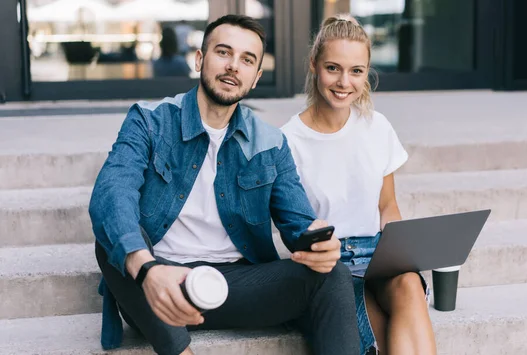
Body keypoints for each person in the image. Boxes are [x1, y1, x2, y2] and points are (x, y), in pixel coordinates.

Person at [89, 14, 360, 355]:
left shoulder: (270, 143)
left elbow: (298, 225)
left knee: (333, 275)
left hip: (239, 286)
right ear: (200, 59)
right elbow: (111, 194)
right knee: (114, 237)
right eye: (223, 52)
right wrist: (148, 271)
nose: (234, 66)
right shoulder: (149, 121)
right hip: (161, 288)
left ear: (256, 77)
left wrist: (319, 245)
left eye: (247, 60)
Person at [281, 14, 437, 355]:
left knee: (410, 284)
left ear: (367, 72)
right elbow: (294, 226)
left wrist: (403, 252)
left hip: (379, 254)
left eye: (356, 71)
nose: (344, 82)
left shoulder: (376, 127)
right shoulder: (288, 141)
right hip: (328, 263)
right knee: (376, 334)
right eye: (333, 68)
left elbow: (387, 206)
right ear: (314, 65)